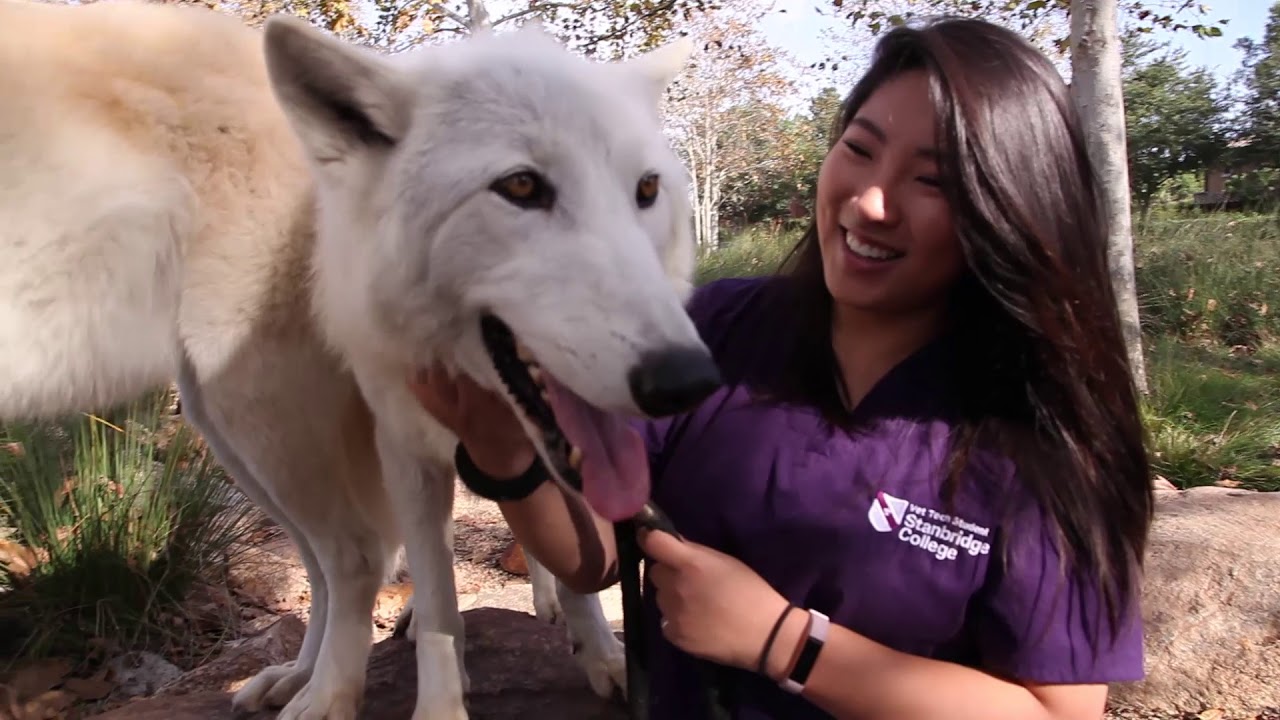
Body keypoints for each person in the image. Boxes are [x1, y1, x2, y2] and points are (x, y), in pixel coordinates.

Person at [408, 15, 1154, 720]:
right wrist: (502, 450)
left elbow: (1055, 710)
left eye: (932, 182)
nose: (868, 202)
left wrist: (788, 644)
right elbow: (597, 559)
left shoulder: (1045, 436)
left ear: (1009, 206)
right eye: (858, 149)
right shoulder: (720, 332)